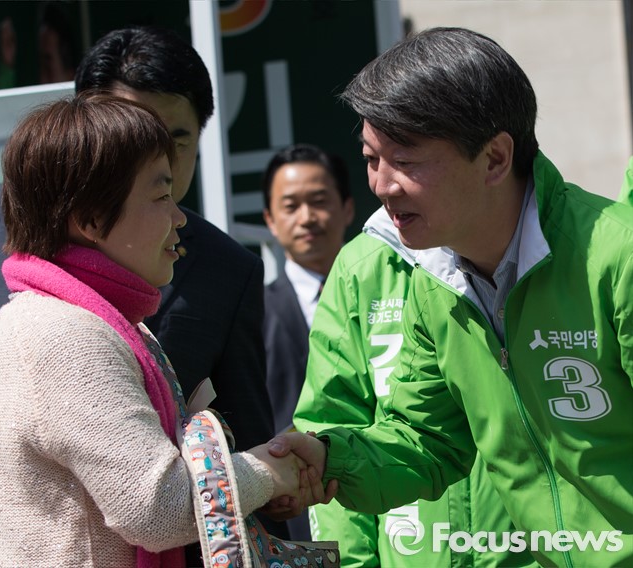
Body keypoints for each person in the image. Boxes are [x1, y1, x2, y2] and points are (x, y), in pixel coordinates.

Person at [271, 27, 633, 566]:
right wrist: (329, 459)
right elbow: (429, 440)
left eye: (406, 160)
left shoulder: (617, 256)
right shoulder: (433, 279)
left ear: (495, 159)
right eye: (372, 158)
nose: (382, 185)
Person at [0, 26, 276, 567]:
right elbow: (159, 508)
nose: (176, 217)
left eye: (173, 140)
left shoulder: (207, 274)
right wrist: (275, 469)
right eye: (156, 191)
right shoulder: (63, 330)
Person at [295, 202, 535, 566]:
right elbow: (333, 422)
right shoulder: (360, 267)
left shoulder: (535, 247)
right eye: (374, 168)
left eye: (407, 167)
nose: (385, 183)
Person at [261, 143, 354, 540]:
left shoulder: (388, 300)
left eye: (318, 201)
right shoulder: (253, 314)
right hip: (292, 517)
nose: (306, 218)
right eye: (290, 206)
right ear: (270, 219)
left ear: (347, 208)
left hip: (389, 504)